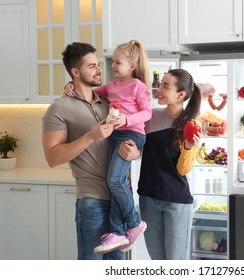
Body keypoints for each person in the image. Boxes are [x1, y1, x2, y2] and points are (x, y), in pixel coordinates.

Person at [42, 42, 139, 260]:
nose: (99, 69)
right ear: (76, 72)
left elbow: (130, 136)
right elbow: (52, 157)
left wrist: (136, 154)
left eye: (98, 64)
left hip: (120, 201)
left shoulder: (108, 102)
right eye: (92, 66)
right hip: (92, 201)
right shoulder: (59, 108)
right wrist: (90, 136)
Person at [65, 40, 152, 255]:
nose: (112, 66)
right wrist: (70, 84)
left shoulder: (138, 86)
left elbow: (147, 113)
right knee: (114, 182)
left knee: (114, 180)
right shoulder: (111, 87)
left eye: (118, 62)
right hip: (116, 136)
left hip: (132, 134)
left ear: (132, 65)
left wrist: (127, 119)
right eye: (113, 61)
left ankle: (134, 222)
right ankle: (117, 232)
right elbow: (90, 91)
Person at [125, 68, 202, 259]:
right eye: (160, 84)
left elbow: (183, 169)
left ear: (181, 95)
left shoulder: (191, 124)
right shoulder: (150, 116)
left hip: (176, 200)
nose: (159, 89)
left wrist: (190, 147)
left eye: (166, 86)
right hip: (148, 198)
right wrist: (134, 153)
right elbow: (142, 151)